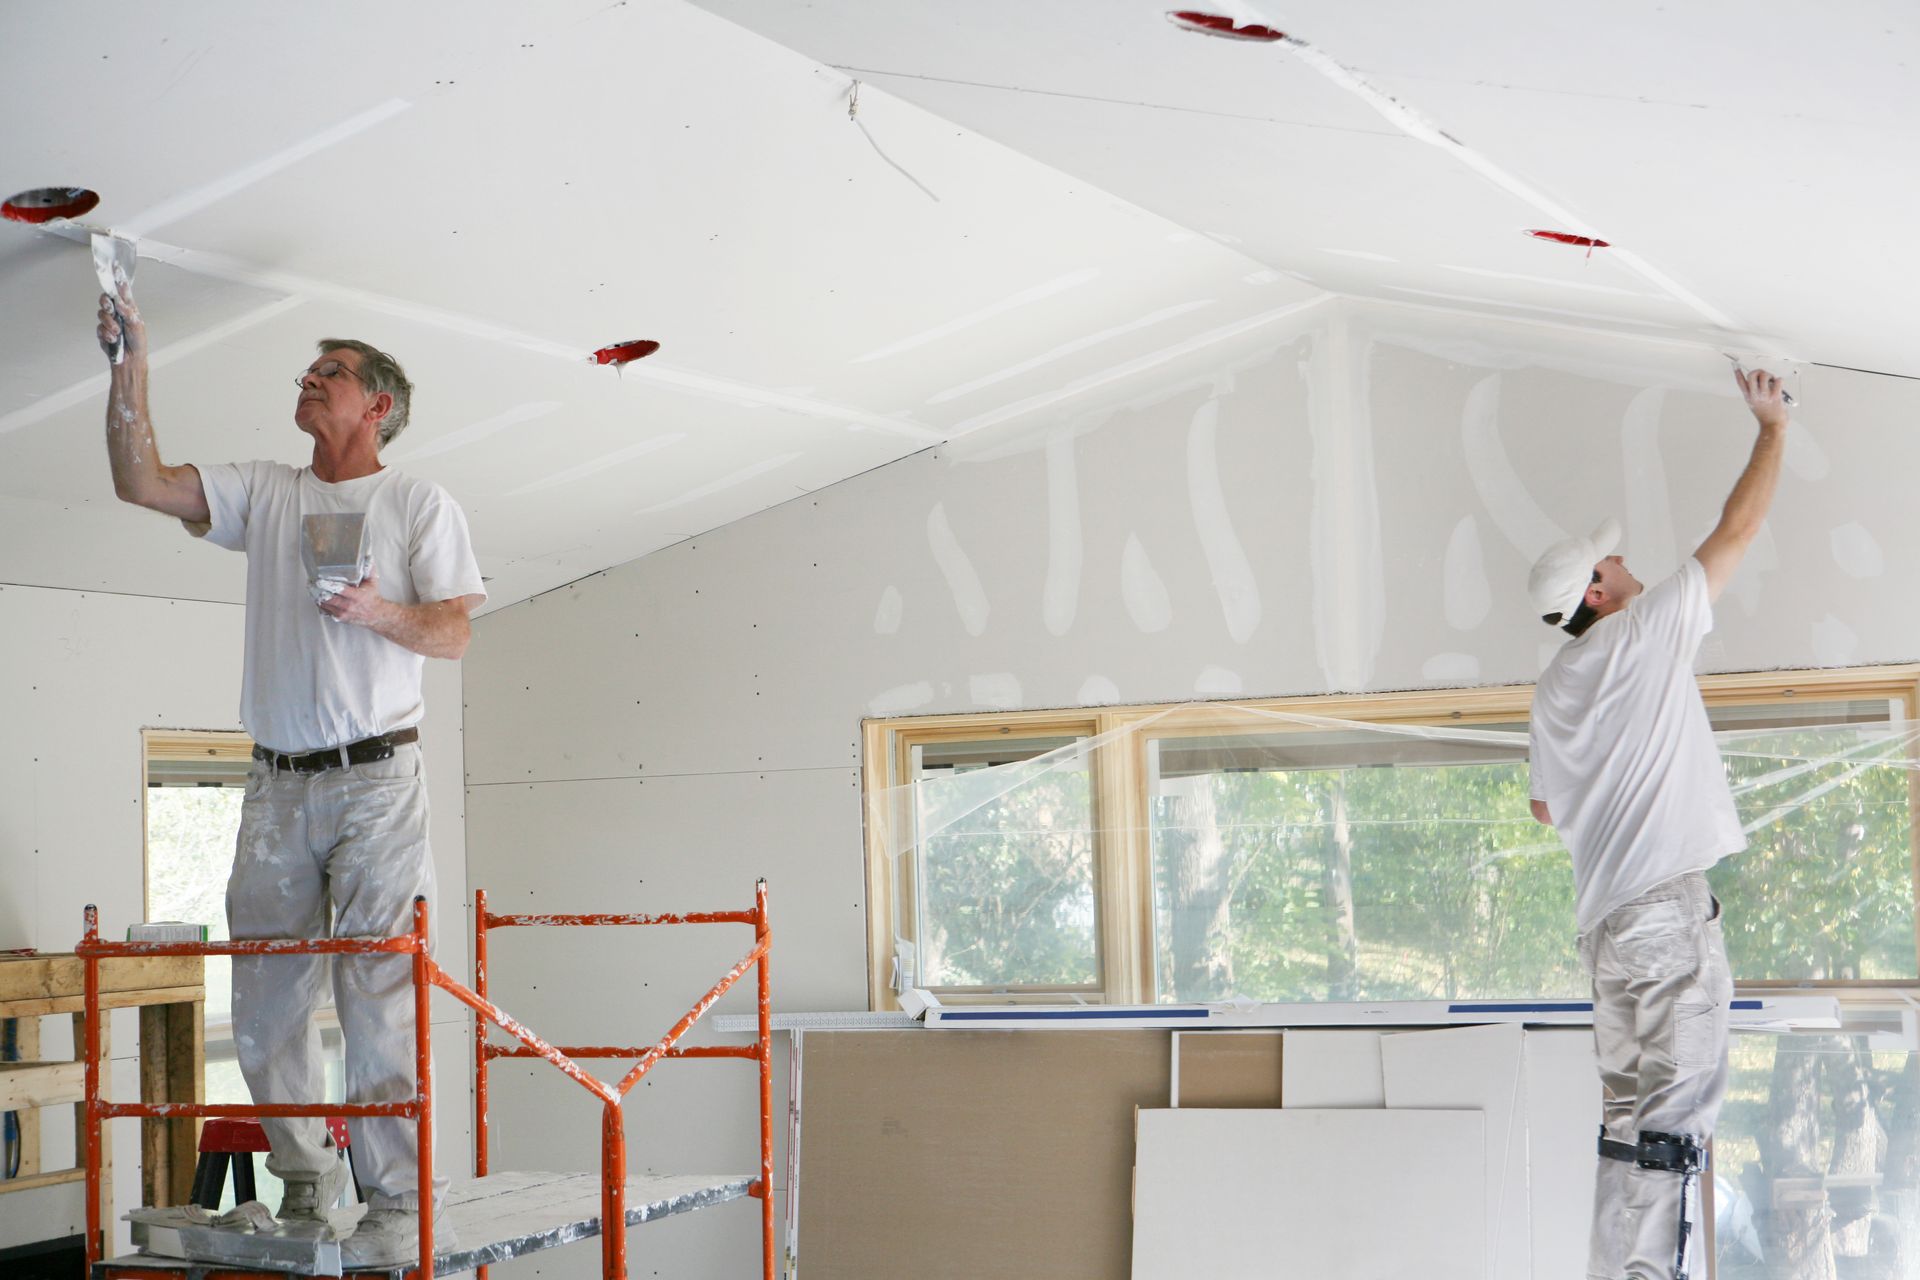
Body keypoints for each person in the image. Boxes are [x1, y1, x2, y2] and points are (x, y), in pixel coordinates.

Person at [97, 279, 485, 1268]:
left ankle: (394, 1196)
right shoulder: (268, 490)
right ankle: (308, 1176)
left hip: (376, 779)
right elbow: (141, 480)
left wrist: (377, 613)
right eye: (308, 373)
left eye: (333, 374)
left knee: (377, 988)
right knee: (267, 996)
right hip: (275, 784)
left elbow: (453, 630)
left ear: (378, 404)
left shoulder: (415, 500)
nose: (311, 382)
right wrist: (128, 361)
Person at [1526, 367, 1789, 1280]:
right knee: (1666, 1126)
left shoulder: (1554, 687)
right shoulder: (1643, 635)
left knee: (1633, 1125)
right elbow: (1740, 530)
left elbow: (1545, 805)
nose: (1629, 562)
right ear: (1598, 594)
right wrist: (1773, 428)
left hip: (1608, 929)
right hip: (1659, 921)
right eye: (1614, 561)